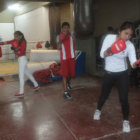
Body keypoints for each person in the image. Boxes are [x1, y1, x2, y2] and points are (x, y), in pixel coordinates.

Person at [93, 21, 138, 133]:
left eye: (130, 35)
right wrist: (112, 50)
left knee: (123, 98)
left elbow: (132, 62)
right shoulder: (109, 38)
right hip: (109, 73)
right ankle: (98, 110)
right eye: (126, 33)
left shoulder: (130, 45)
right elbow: (101, 55)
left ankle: (126, 121)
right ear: (119, 31)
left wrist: (136, 63)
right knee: (104, 95)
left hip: (122, 73)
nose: (128, 37)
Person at [0, 31, 39, 97]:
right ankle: (36, 85)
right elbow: (7, 42)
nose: (15, 38)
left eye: (17, 36)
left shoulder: (23, 42)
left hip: (22, 59)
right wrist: (1, 43)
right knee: (27, 73)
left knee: (21, 76)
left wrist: (15, 48)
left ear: (20, 36)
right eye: (15, 36)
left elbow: (21, 52)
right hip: (21, 59)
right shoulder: (15, 40)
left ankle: (21, 92)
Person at [57, 22, 76, 100]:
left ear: (69, 28)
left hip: (72, 57)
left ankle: (68, 83)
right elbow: (58, 48)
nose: (66, 29)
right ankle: (65, 92)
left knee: (71, 74)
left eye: (67, 27)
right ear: (62, 29)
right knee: (64, 75)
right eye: (64, 27)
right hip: (64, 58)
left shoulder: (71, 35)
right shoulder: (60, 36)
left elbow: (73, 43)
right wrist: (61, 40)